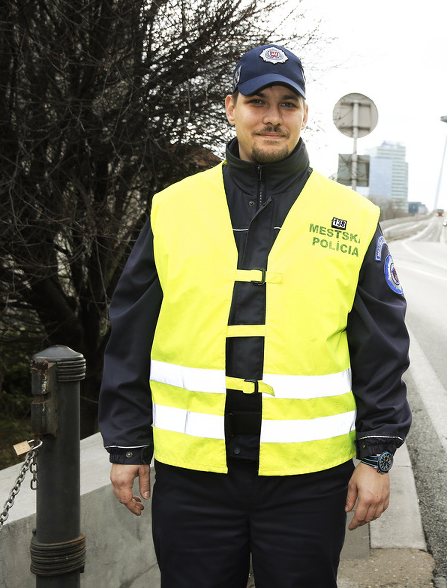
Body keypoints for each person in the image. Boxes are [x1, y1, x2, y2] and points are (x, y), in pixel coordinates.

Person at [98, 44, 411, 588]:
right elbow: (130, 333)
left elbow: (382, 348)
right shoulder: (173, 207)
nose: (272, 116)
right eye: (257, 101)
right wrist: (127, 444)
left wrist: (377, 457)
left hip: (307, 482)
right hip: (194, 476)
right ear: (230, 107)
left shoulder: (351, 218)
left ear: (305, 114)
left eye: (288, 104)